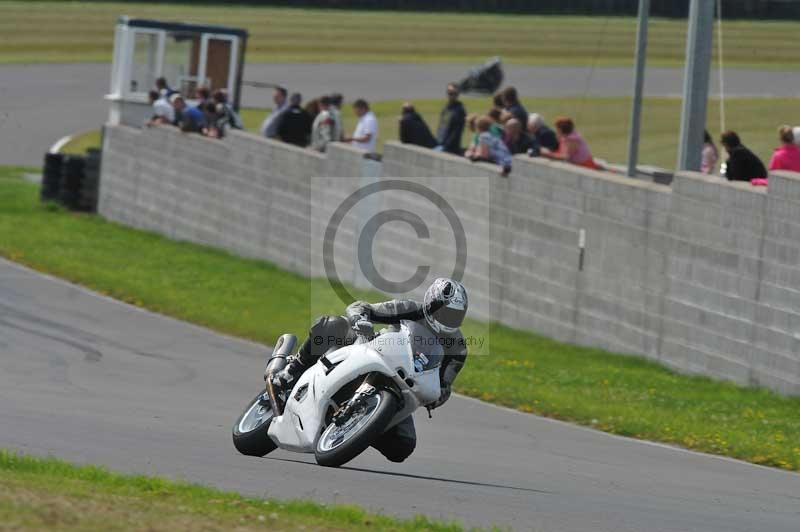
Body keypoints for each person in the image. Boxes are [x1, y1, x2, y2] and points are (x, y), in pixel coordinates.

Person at [273, 278, 469, 463]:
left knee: (403, 446)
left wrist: (437, 397)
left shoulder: (458, 348)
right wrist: (360, 319)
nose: (449, 319)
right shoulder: (409, 308)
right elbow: (360, 307)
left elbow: (445, 384)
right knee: (333, 324)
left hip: (403, 383)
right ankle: (292, 370)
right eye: (445, 313)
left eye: (455, 316)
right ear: (430, 303)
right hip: (371, 349)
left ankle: (361, 427)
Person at [436, 83, 466, 154]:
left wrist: (446, 146)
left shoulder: (460, 110)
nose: (451, 95)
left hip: (450, 148)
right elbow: (441, 126)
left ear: (457, 95)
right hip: (440, 142)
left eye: (454, 93)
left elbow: (457, 131)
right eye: (449, 93)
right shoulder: (446, 108)